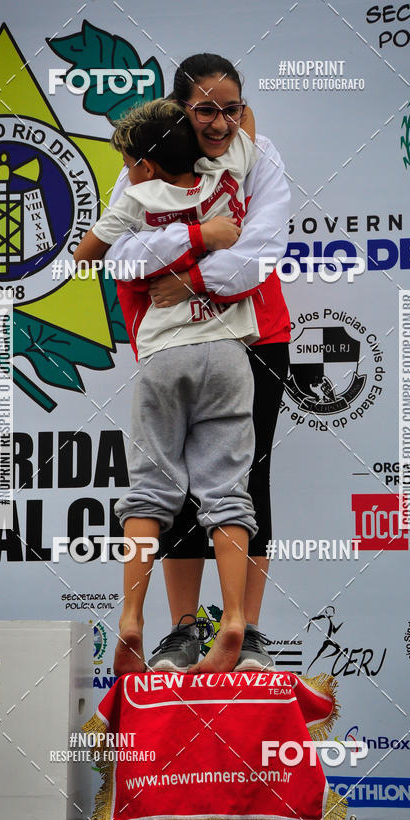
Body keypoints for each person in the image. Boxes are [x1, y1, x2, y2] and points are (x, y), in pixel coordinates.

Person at [108, 54, 291, 673]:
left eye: (231, 109)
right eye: (205, 109)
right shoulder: (145, 163)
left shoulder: (259, 157)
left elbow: (258, 253)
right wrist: (195, 243)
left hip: (257, 338)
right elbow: (122, 259)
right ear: (178, 110)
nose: (219, 123)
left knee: (249, 481)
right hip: (172, 346)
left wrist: (185, 281)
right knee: (177, 490)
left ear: (245, 109)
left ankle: (249, 633)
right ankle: (184, 631)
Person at [74, 97, 262, 675]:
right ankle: (233, 619)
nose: (125, 173)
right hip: (228, 354)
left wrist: (139, 228)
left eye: (129, 161)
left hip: (163, 358)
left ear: (145, 167)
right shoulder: (225, 178)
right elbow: (240, 123)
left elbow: (85, 258)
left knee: (150, 492)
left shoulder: (134, 198)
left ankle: (132, 616)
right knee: (228, 492)